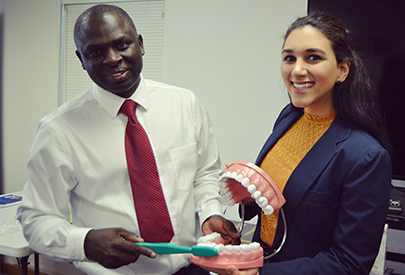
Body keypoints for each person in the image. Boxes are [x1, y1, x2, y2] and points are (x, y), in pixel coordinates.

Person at [17, 4, 240, 275]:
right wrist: (85, 243)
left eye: (122, 44)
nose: (112, 58)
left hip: (193, 266)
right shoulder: (58, 131)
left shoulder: (185, 103)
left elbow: (204, 174)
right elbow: (36, 219)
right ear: (81, 58)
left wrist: (210, 214)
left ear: (140, 44)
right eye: (96, 51)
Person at [204, 12, 392, 275]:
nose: (297, 70)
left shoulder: (366, 157)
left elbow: (349, 264)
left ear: (342, 69)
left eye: (313, 57)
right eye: (289, 58)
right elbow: (283, 199)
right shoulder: (289, 116)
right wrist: (249, 199)